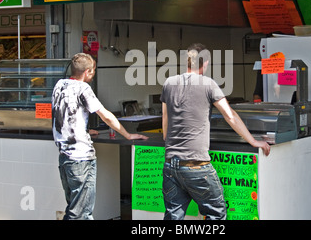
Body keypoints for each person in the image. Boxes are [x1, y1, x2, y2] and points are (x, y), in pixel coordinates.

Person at [161, 43, 270, 220]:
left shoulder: (169, 83)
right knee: (216, 214)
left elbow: (165, 117)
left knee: (174, 215)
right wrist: (254, 141)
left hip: (171, 165)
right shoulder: (208, 84)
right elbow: (230, 116)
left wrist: (168, 138)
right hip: (197, 165)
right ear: (205, 63)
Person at [52, 52, 147, 220]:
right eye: (94, 70)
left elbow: (64, 116)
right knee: (80, 213)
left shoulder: (60, 85)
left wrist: (84, 131)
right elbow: (106, 116)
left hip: (64, 158)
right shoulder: (83, 88)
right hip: (81, 158)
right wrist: (128, 135)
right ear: (87, 72)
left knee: (74, 208)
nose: (94, 73)